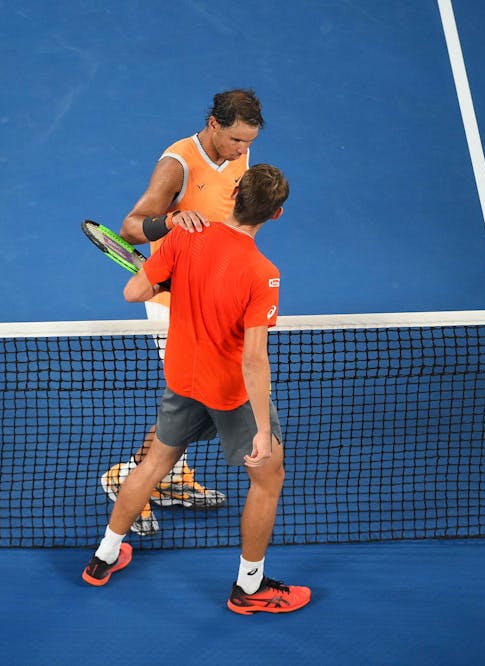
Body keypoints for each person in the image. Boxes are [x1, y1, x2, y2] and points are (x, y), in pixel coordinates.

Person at [83, 164, 311, 615]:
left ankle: (104, 557)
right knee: (269, 477)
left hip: (183, 378)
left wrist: (166, 276)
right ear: (276, 215)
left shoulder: (186, 236)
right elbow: (253, 358)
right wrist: (262, 430)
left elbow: (133, 292)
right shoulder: (263, 272)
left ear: (234, 193)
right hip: (229, 392)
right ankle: (250, 589)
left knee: (154, 465)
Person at [100, 89, 266, 536]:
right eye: (235, 141)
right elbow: (131, 227)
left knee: (193, 398)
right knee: (193, 395)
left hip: (214, 297)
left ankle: (168, 475)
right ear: (214, 123)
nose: (242, 150)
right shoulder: (177, 163)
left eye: (248, 142)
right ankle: (129, 475)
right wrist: (170, 222)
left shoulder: (240, 156)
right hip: (173, 304)